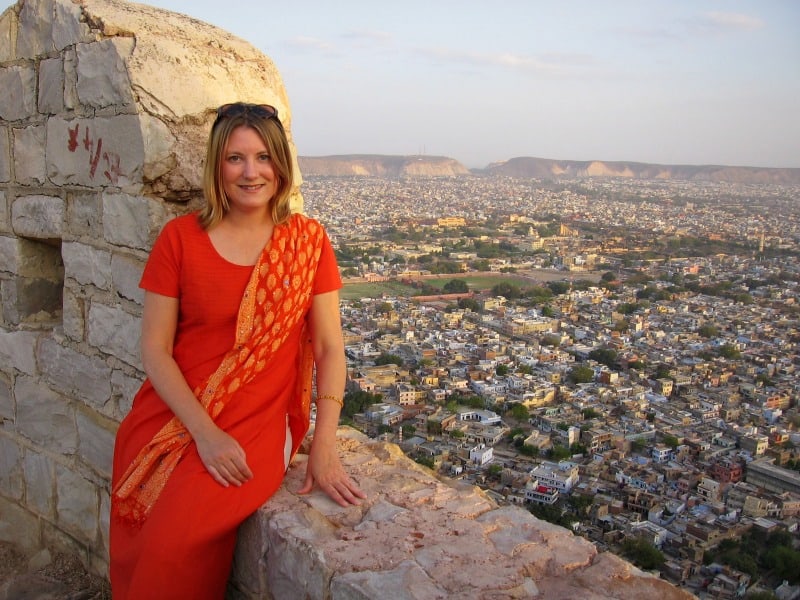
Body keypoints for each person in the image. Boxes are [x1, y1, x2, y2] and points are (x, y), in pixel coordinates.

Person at [109, 102, 366, 599]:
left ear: (282, 167)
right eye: (235, 158)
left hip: (258, 422)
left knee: (171, 545)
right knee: (139, 541)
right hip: (173, 417)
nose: (252, 172)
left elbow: (332, 349)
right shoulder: (180, 239)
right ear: (216, 167)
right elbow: (156, 350)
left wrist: (325, 446)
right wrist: (204, 434)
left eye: (264, 157)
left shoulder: (307, 243)